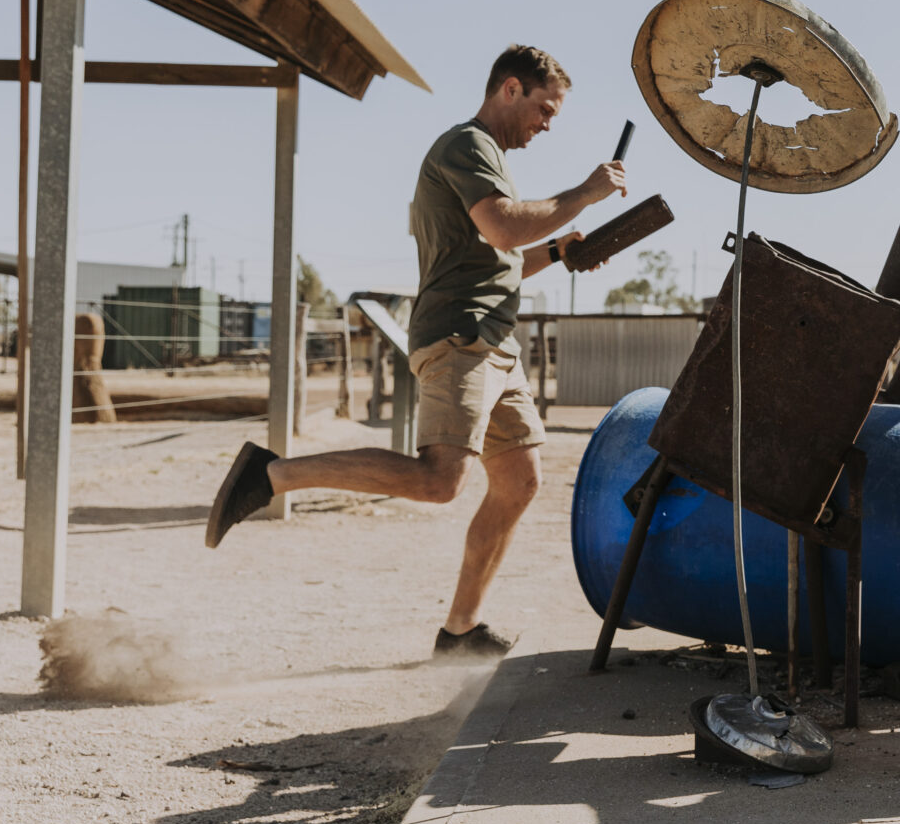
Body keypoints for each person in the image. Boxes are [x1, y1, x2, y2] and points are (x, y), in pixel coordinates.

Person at [204, 45, 627, 660]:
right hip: (460, 338)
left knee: (519, 480)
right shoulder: (466, 146)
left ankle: (460, 631)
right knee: (439, 482)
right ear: (510, 89)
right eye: (545, 109)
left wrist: (562, 251)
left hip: (494, 342)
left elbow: (502, 258)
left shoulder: (493, 165)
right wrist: (585, 192)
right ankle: (268, 475)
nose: (548, 124)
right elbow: (507, 228)